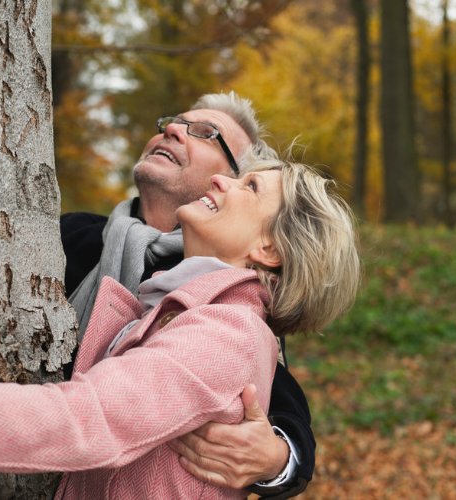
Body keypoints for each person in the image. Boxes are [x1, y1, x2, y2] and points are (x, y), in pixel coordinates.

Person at [0, 156, 360, 500]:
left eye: (249, 186)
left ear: (270, 248)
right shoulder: (180, 300)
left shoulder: (224, 332)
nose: (223, 181)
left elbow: (85, 422)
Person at [62, 92, 314, 498]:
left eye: (204, 133)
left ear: (231, 177)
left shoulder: (224, 280)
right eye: (171, 123)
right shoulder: (67, 234)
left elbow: (278, 403)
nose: (173, 130)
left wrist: (277, 459)